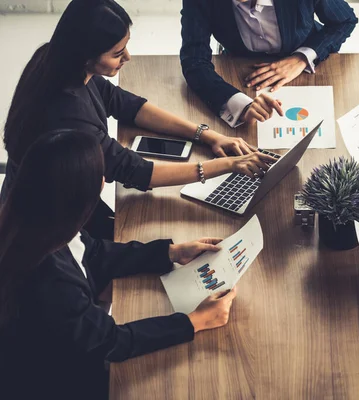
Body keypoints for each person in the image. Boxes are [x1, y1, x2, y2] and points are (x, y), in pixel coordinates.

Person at [2, 0, 276, 239]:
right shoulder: (69, 114)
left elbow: (126, 105)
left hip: (60, 197)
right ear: (86, 55)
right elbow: (136, 171)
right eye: (117, 54)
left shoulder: (59, 62)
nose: (128, 58)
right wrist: (227, 165)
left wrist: (208, 135)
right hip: (49, 223)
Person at [0, 129, 238, 400]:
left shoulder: (37, 219)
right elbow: (112, 342)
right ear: (81, 197)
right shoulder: (51, 281)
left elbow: (93, 252)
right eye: (100, 175)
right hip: (54, 382)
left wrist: (170, 252)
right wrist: (194, 321)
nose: (104, 179)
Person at [180, 0, 358, 127]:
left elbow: (344, 21)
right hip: (241, 73)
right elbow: (194, 60)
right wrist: (239, 105)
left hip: (310, 68)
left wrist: (302, 58)